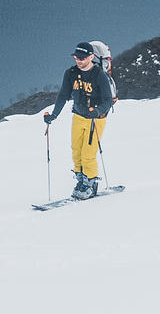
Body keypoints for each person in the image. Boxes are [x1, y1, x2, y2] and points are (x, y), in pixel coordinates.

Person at [43, 39, 115, 199]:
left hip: (95, 119)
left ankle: (91, 184)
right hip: (78, 116)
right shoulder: (71, 73)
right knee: (76, 150)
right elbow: (63, 95)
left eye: (82, 58)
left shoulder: (99, 75)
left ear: (91, 57)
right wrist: (53, 115)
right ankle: (81, 180)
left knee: (88, 153)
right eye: (76, 57)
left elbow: (108, 100)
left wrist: (97, 111)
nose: (78, 60)